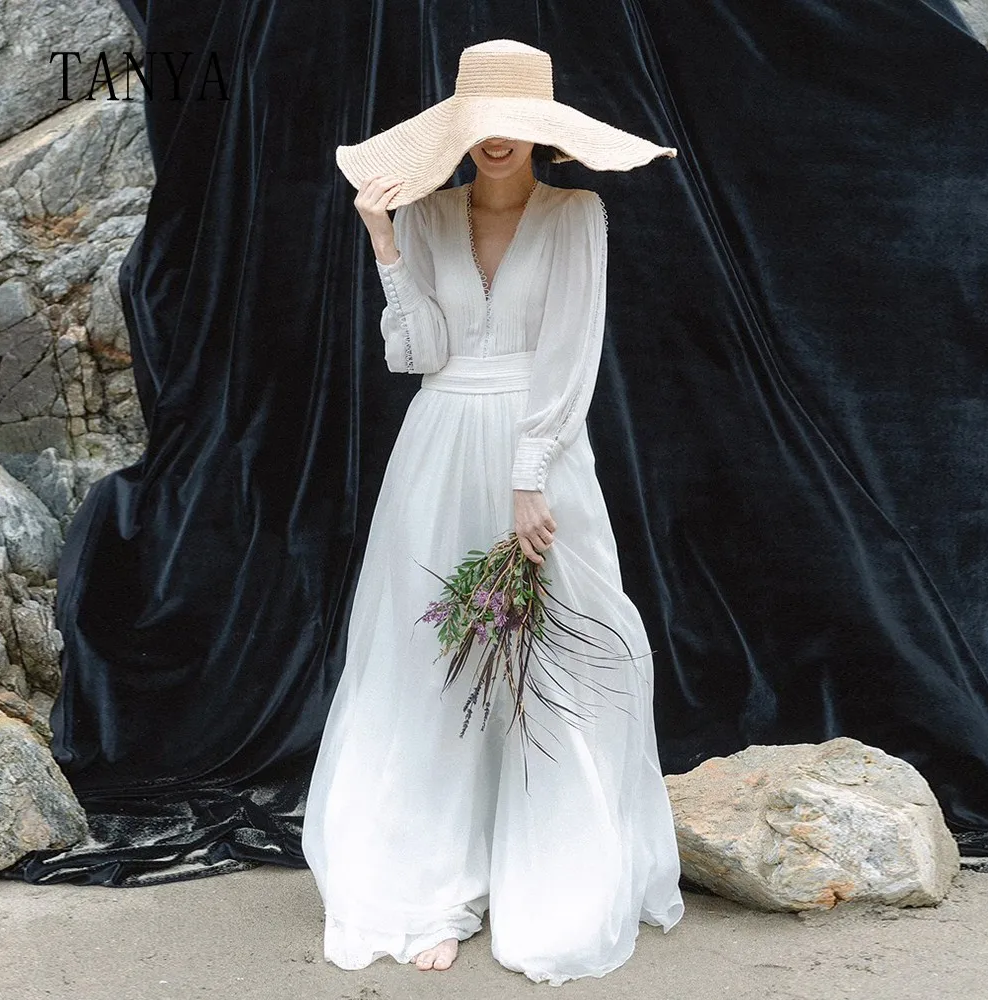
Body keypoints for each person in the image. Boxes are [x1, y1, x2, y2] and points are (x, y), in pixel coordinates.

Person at [302, 39, 685, 986]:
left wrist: (529, 474)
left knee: (557, 653)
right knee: (432, 661)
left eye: (514, 124)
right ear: (461, 130)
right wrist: (387, 244)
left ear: (541, 132)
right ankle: (438, 878)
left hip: (539, 455)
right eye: (480, 125)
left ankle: (549, 867)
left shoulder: (576, 215)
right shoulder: (431, 216)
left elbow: (571, 354)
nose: (497, 142)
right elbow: (417, 351)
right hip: (436, 450)